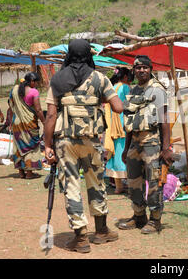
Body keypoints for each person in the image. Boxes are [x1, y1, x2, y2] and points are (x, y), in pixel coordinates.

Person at [44, 39, 124, 254]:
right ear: (88, 54)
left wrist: (47, 145)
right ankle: (101, 231)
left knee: (71, 186)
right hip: (92, 140)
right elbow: (118, 107)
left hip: (65, 142)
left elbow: (51, 115)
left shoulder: (58, 79)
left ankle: (80, 238)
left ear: (69, 54)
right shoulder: (100, 78)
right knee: (96, 183)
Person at [117, 55, 173, 234]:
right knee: (133, 180)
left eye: (145, 68)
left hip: (152, 143)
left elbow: (164, 120)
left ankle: (155, 220)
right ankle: (139, 216)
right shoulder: (133, 91)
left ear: (151, 69)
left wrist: (166, 148)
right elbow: (129, 122)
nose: (141, 70)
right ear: (134, 70)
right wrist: (126, 149)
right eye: (138, 67)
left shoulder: (157, 90)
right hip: (134, 143)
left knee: (154, 182)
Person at [6, 72, 45, 179]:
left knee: (19, 147)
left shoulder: (14, 90)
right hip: (29, 123)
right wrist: (44, 122)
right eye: (36, 82)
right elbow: (38, 109)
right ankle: (29, 173)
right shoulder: (34, 92)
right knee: (30, 147)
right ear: (32, 81)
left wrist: (9, 121)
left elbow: (10, 106)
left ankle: (21, 172)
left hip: (17, 124)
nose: (36, 84)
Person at [104, 67, 132, 194]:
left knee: (115, 156)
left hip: (112, 126)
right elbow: (130, 105)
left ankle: (119, 186)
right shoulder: (125, 87)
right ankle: (129, 185)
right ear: (125, 77)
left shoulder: (112, 87)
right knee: (124, 155)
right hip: (122, 127)